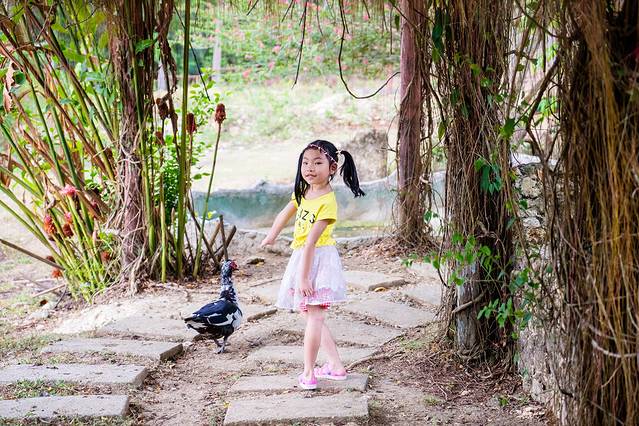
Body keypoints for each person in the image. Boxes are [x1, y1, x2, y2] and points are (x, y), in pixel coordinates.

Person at [260, 140, 365, 390]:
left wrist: (304, 277)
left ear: (332, 168)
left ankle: (308, 373)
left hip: (318, 259)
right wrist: (272, 235)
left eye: (317, 163)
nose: (310, 168)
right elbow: (285, 213)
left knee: (314, 315)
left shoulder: (328, 201)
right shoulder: (304, 191)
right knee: (310, 314)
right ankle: (336, 366)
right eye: (305, 162)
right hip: (303, 256)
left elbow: (311, 243)